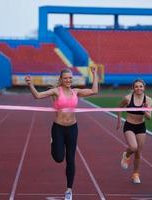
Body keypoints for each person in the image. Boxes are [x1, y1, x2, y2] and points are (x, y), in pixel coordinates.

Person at [25, 67, 98, 200]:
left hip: (72, 128)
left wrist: (94, 74)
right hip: (58, 128)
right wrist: (30, 84)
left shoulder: (76, 91)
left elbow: (94, 91)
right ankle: (53, 142)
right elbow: (37, 96)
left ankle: (69, 190)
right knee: (59, 158)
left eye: (70, 78)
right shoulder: (56, 91)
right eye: (65, 78)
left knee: (71, 159)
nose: (68, 80)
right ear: (61, 79)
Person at [116, 79, 152, 184]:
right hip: (129, 126)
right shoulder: (128, 98)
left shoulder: (148, 100)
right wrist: (119, 121)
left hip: (141, 126)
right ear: (133, 88)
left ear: (144, 87)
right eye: (136, 86)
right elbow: (119, 107)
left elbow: (149, 117)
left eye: (141, 86)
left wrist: (145, 110)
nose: (139, 88)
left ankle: (135, 174)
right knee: (133, 147)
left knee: (138, 153)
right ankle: (126, 155)